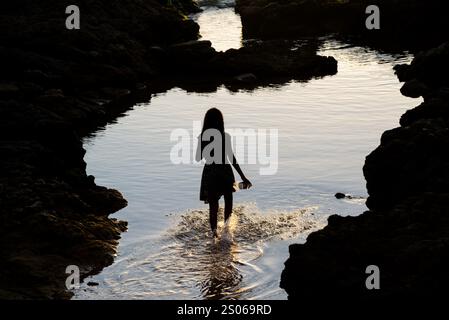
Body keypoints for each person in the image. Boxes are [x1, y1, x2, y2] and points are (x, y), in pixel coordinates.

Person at [196, 108, 252, 238]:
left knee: (213, 205)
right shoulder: (224, 136)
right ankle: (227, 232)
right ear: (221, 121)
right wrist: (243, 177)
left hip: (210, 172)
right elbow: (231, 158)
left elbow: (199, 157)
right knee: (228, 201)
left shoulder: (203, 137)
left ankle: (215, 234)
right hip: (225, 171)